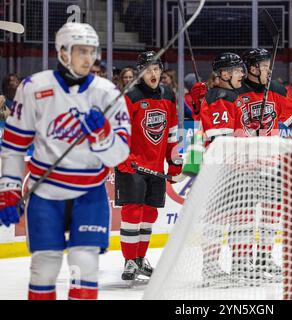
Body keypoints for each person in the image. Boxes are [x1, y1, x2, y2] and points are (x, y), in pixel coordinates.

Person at [0, 22, 130, 300]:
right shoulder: (34, 88)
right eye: (81, 51)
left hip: (90, 193)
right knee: (44, 267)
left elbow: (119, 154)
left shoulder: (108, 93)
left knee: (86, 265)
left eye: (92, 51)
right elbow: (13, 144)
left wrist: (103, 136)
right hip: (45, 193)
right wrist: (8, 189)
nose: (88, 58)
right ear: (62, 52)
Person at [198, 49, 292, 284]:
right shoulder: (234, 93)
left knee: (272, 214)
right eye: (265, 66)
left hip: (270, 164)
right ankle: (238, 264)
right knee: (241, 216)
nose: (269, 70)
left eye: (269, 65)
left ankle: (262, 259)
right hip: (241, 167)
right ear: (252, 69)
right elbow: (222, 124)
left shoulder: (276, 92)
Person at [114, 51, 182, 282]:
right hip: (132, 166)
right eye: (148, 70)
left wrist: (174, 162)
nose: (153, 74)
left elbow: (172, 132)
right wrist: (121, 156)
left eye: (156, 69)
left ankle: (140, 259)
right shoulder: (130, 96)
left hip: (155, 168)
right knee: (132, 213)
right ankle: (129, 261)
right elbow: (118, 130)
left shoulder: (168, 96)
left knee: (149, 214)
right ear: (140, 72)